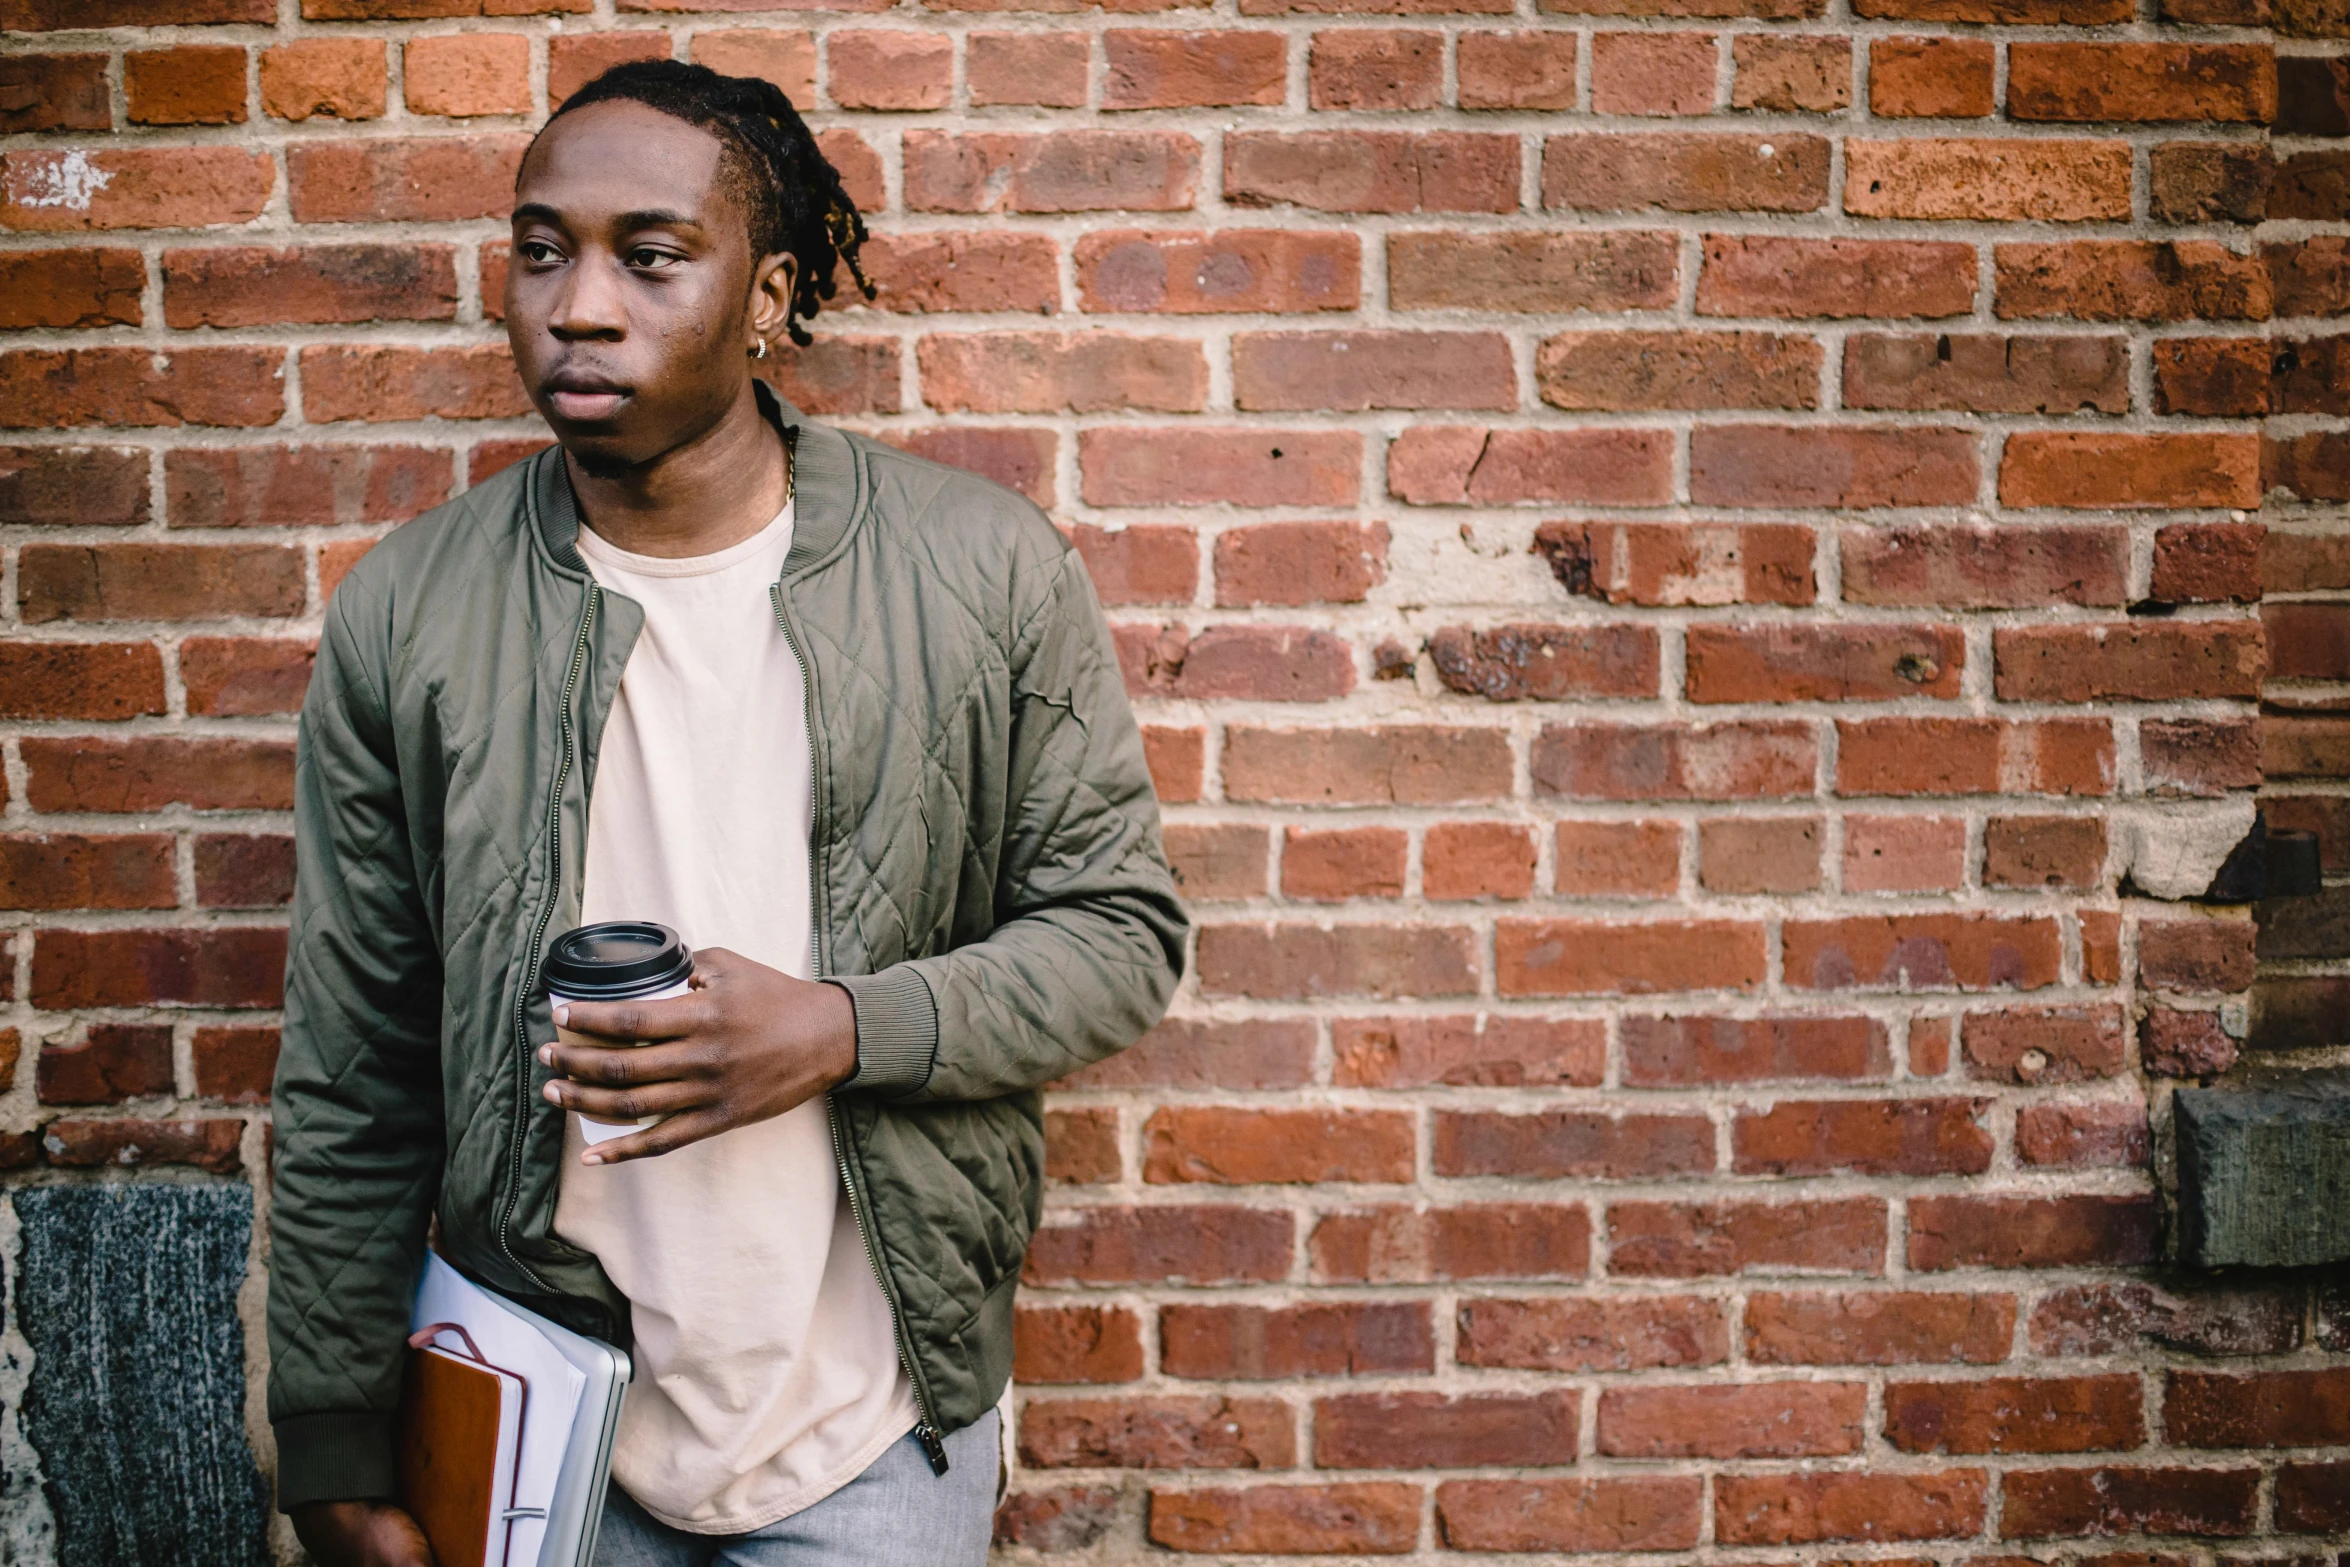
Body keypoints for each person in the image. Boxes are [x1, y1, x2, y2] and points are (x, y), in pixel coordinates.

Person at [268, 60, 1186, 1567]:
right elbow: (355, 1063)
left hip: (865, 1424)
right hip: (546, 1428)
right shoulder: (410, 611)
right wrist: (331, 1432)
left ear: (765, 297)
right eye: (541, 247)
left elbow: (1118, 935)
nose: (574, 303)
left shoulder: (980, 570)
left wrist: (838, 1028)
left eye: (648, 254)